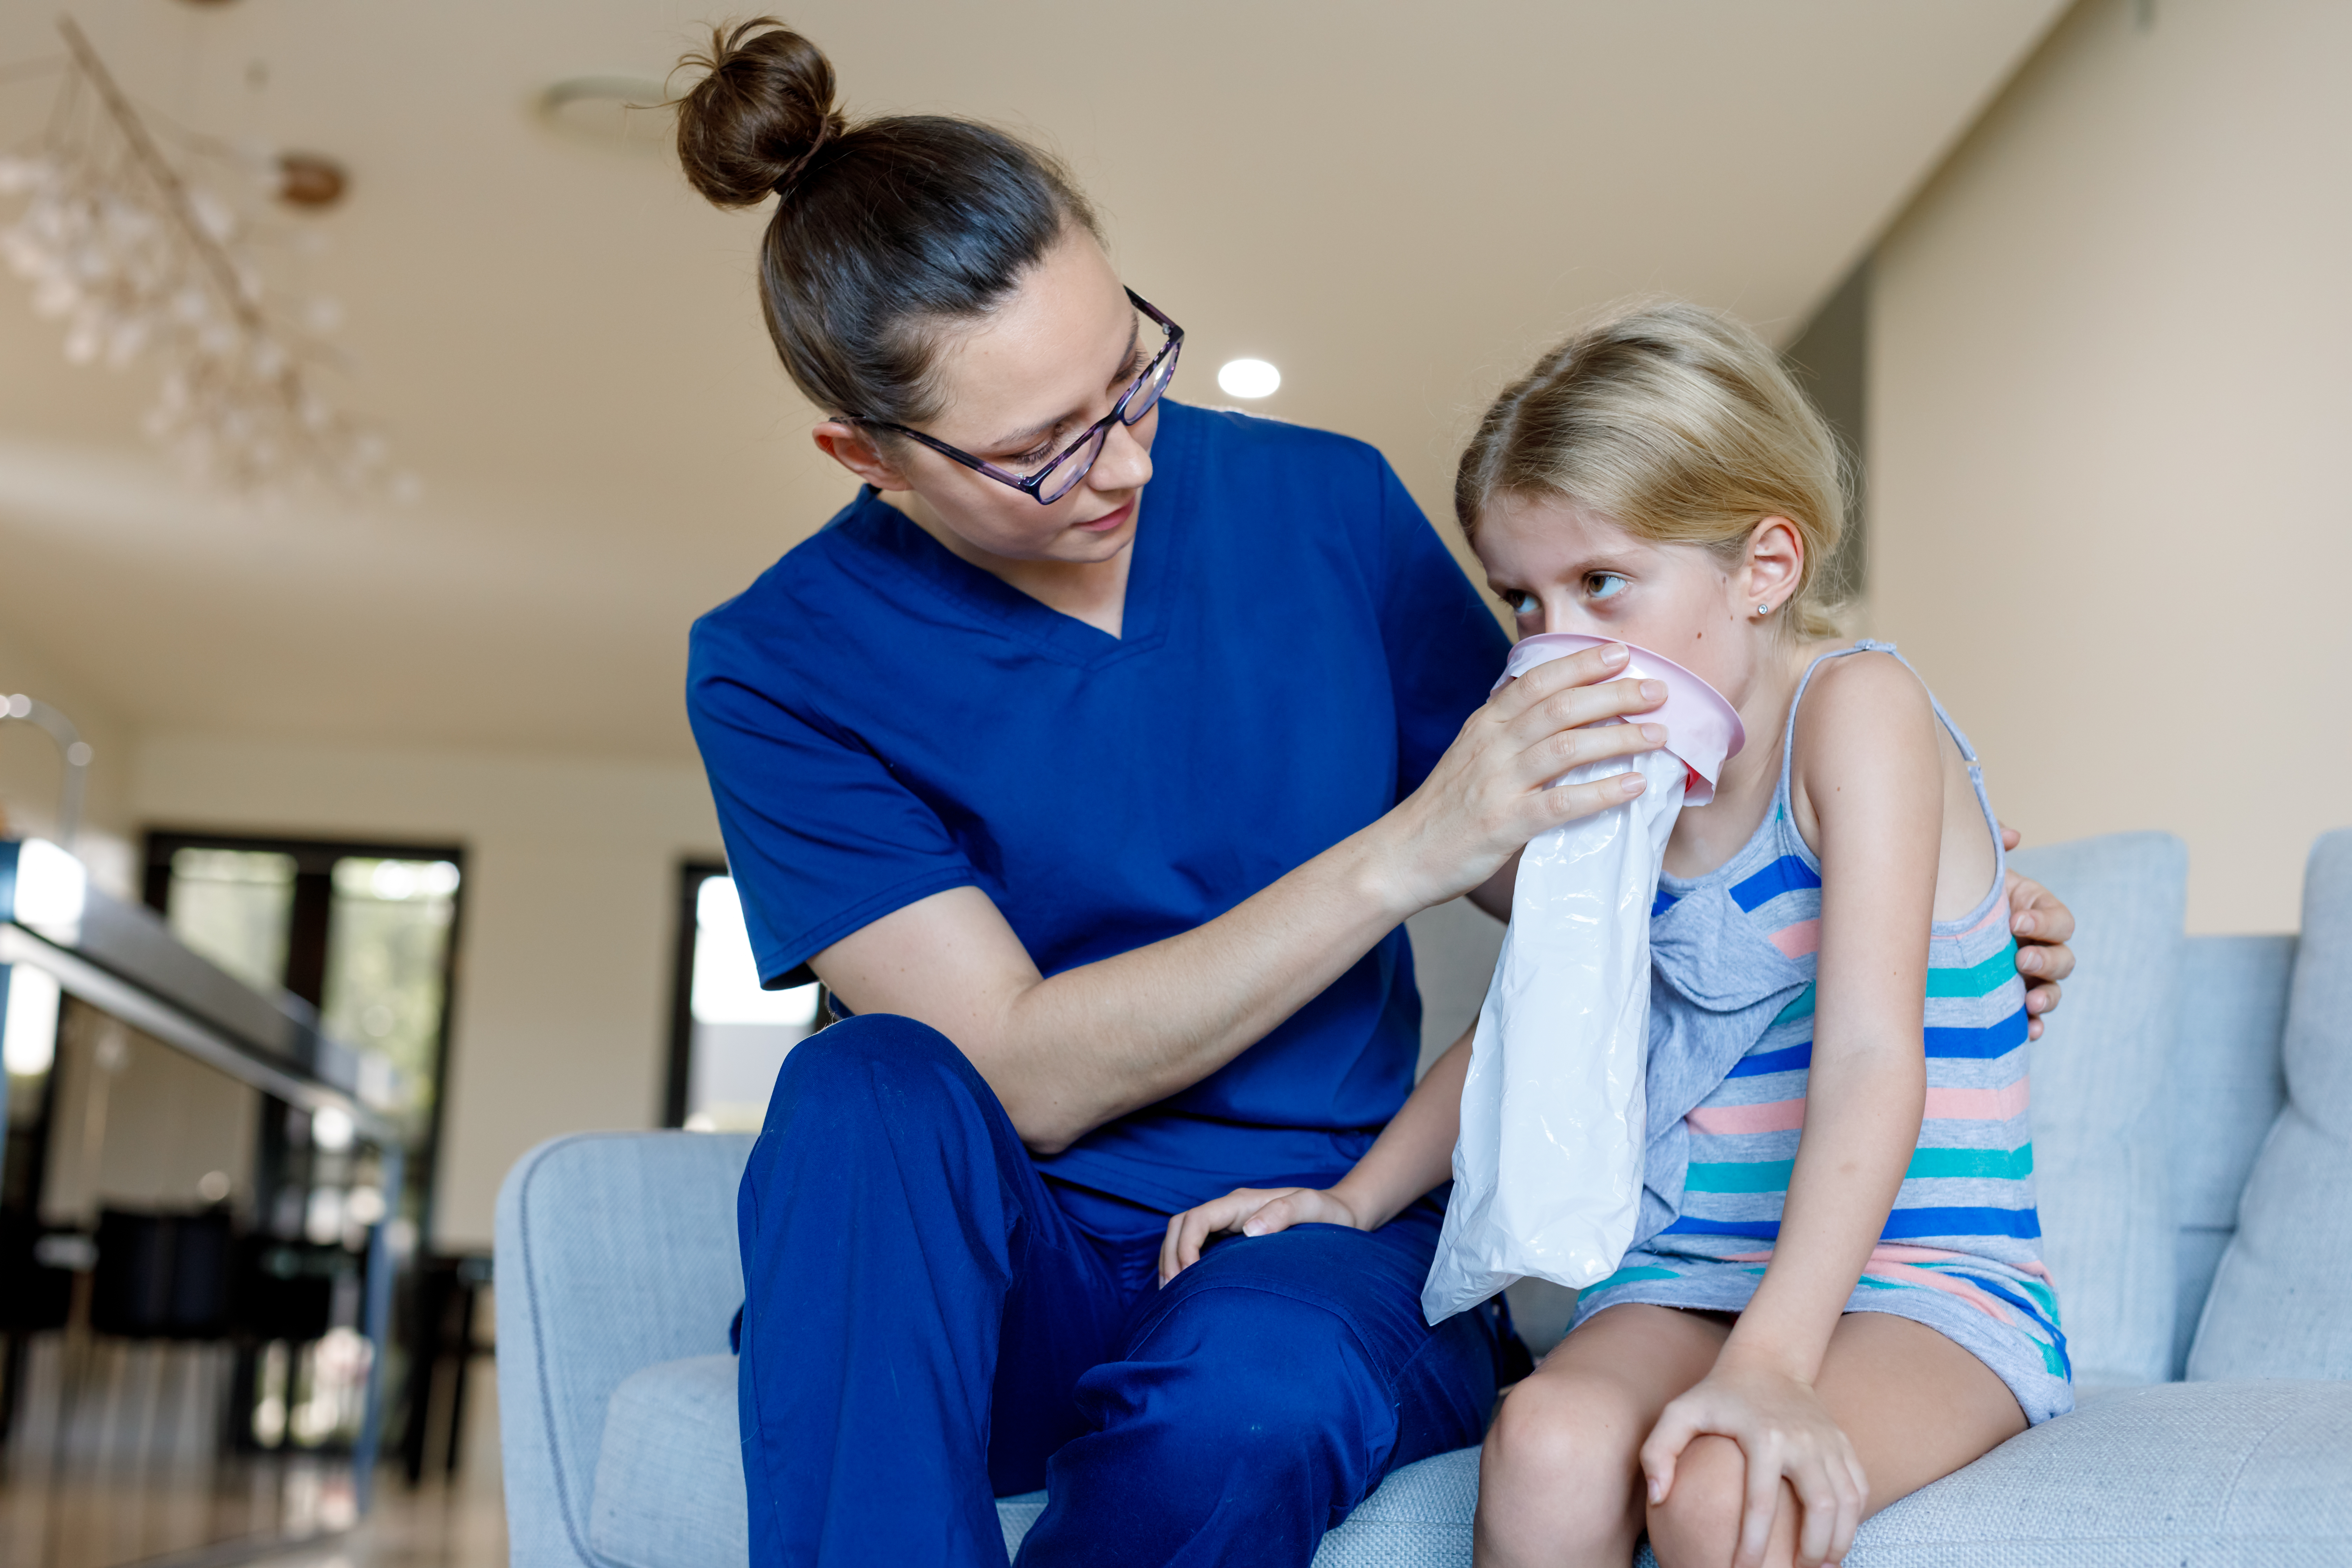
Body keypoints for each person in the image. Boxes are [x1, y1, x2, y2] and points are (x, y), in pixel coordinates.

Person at [672, 22, 2077, 1568]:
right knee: (860, 1085)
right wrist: (1403, 849)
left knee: (1250, 1399)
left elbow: (1571, 864)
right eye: (1038, 449)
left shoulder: (1325, 504)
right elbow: (1012, 1073)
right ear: (865, 453)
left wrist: (1904, 902)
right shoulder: (775, 664)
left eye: (1129, 376)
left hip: (1299, 1257)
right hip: (1014, 1271)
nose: (1125, 461)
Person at [1163, 303, 2067, 1568]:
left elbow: (1870, 1058)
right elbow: (1533, 1028)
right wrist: (1354, 1202)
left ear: (1764, 567)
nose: (1557, 645)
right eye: (1524, 605)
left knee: (1718, 1487)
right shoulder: (1624, 789)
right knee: (1541, 1443)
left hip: (1921, 1282)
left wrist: (1768, 1366)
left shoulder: (1858, 710)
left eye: (1601, 586)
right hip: (1687, 1268)